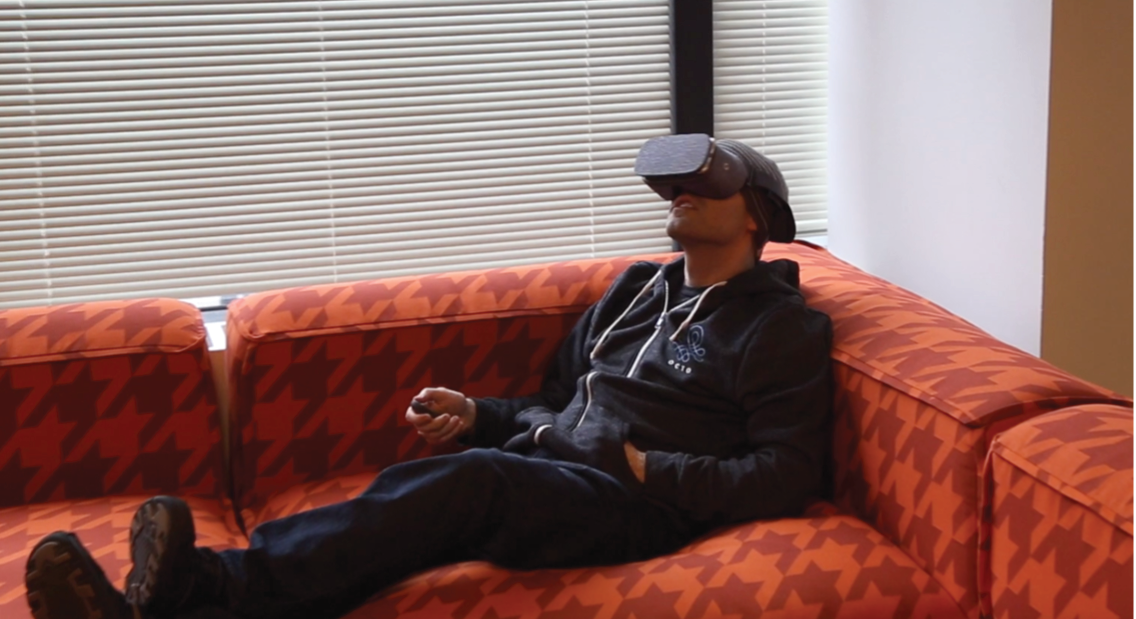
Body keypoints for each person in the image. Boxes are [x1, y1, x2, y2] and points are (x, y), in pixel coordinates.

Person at [23, 135, 833, 619]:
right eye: (677, 185)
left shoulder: (779, 326)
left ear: (756, 214)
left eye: (706, 186)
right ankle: (168, 604)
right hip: (562, 468)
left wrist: (649, 467)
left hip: (641, 504)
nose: (682, 195)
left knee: (470, 485)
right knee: (437, 484)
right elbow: (557, 404)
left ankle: (203, 584)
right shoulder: (635, 289)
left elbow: (786, 472)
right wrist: (480, 414)